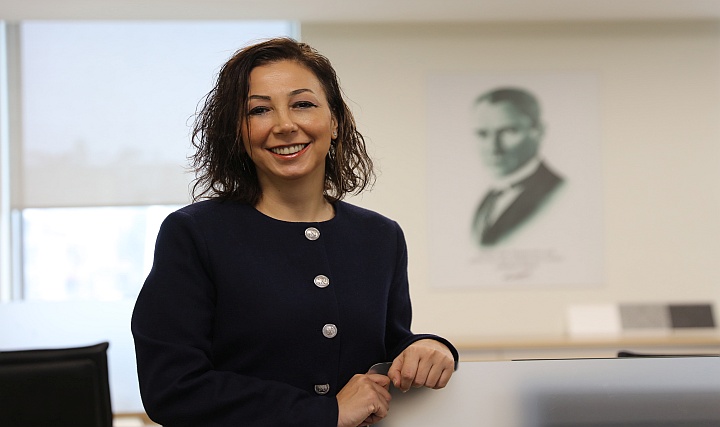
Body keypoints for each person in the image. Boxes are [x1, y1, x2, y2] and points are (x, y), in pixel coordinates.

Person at [131, 37, 458, 427]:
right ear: (238, 131)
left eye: (303, 104)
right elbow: (171, 388)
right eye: (259, 110)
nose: (285, 125)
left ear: (335, 122)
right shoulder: (194, 233)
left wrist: (428, 346)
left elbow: (386, 345)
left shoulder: (380, 236)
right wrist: (324, 413)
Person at [471, 87, 564, 246]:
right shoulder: (491, 196)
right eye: (482, 134)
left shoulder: (558, 193)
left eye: (508, 131)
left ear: (538, 131)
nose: (493, 148)